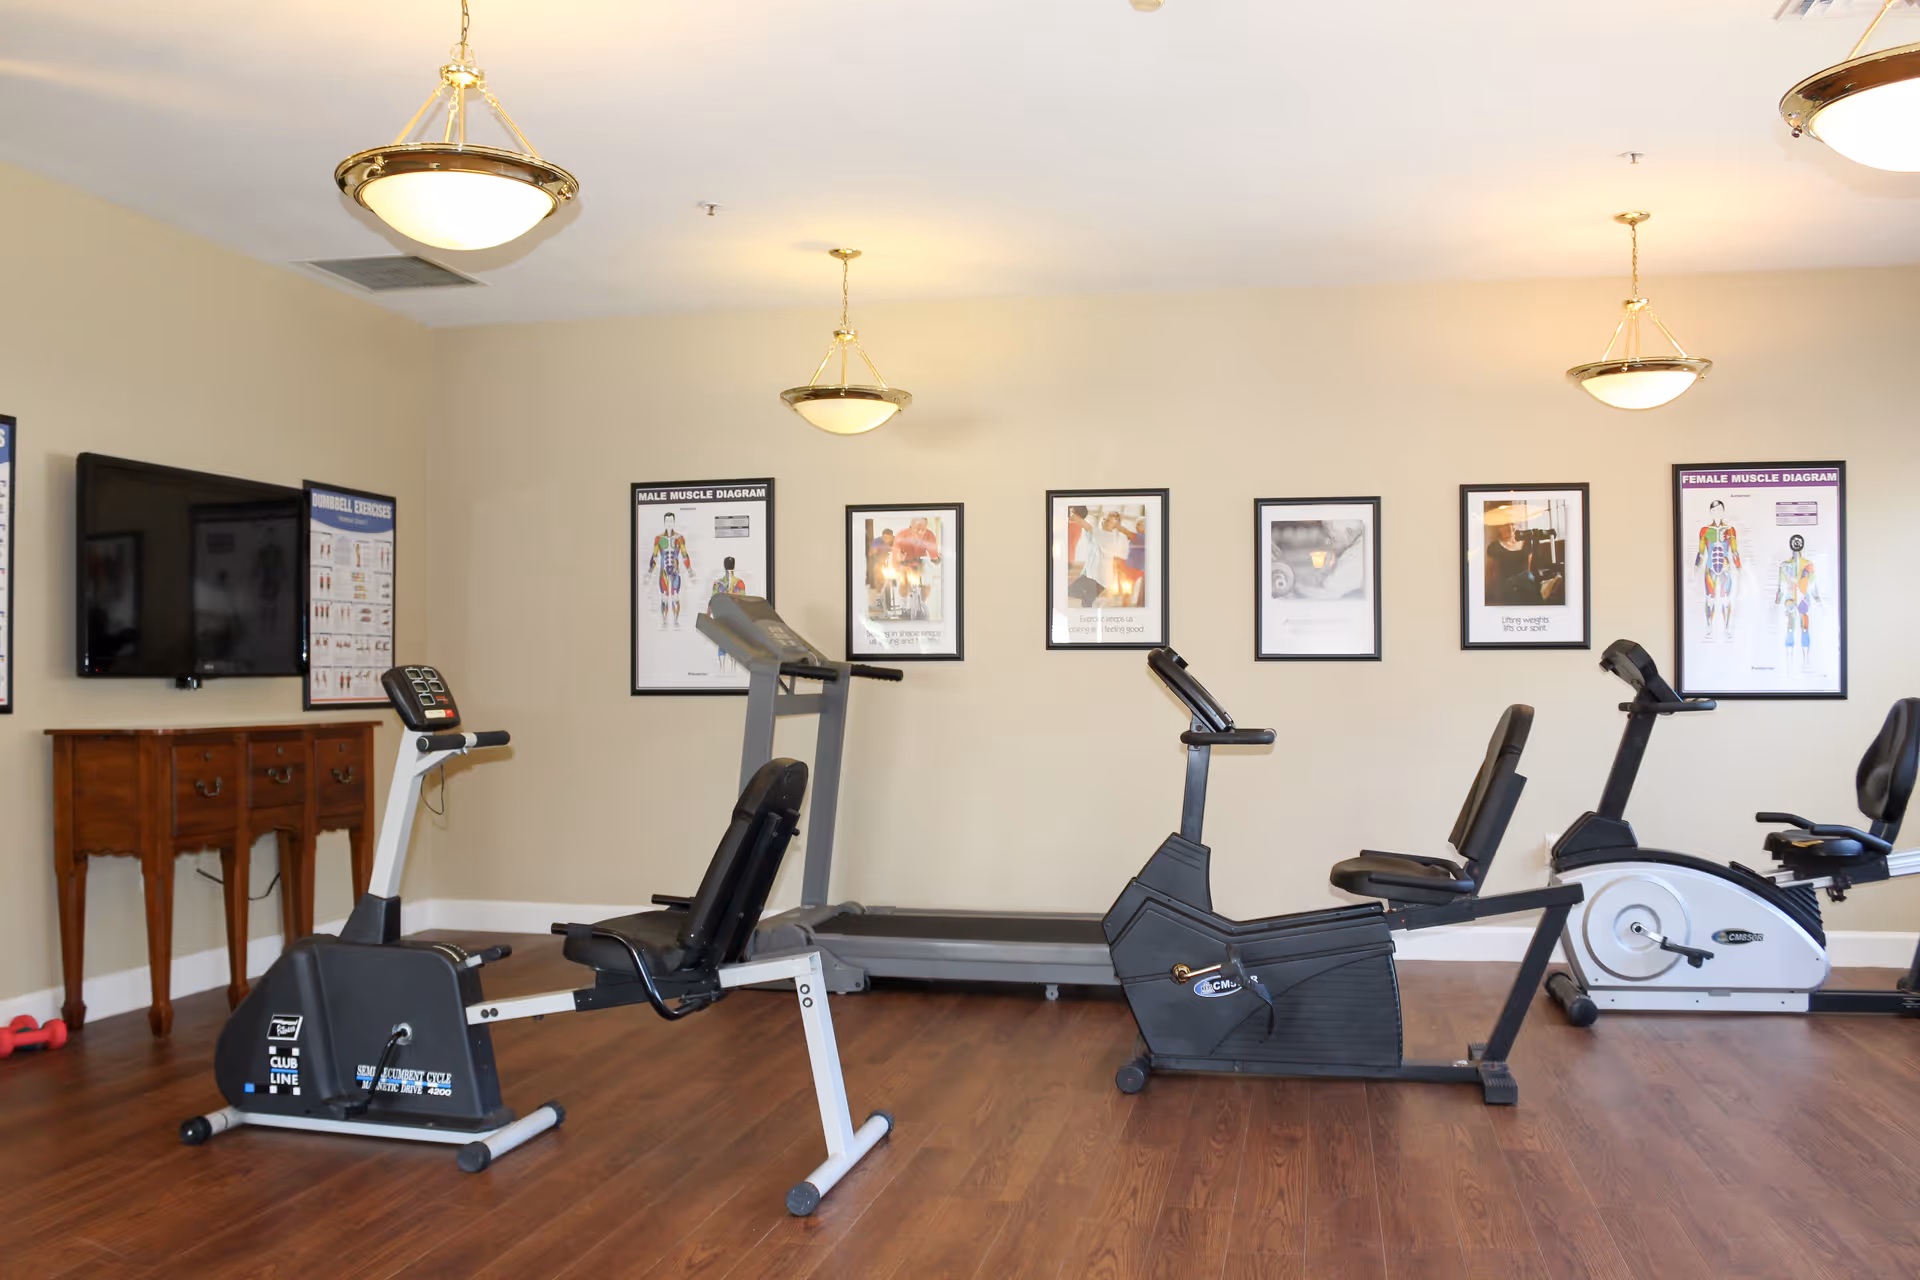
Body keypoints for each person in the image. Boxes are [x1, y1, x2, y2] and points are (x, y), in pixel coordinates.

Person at [1068, 507, 1143, 607]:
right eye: (1104, 519)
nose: (1104, 522)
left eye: (1108, 521)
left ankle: (1091, 609)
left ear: (1114, 525)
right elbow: (1090, 541)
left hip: (1098, 580)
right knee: (1081, 599)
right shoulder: (1099, 534)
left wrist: (1073, 515)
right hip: (1093, 578)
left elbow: (1088, 527)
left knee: (1074, 595)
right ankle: (1090, 608)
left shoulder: (1107, 537)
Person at [1694, 499, 1741, 641]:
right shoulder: (1705, 531)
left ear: (1723, 511)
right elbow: (1701, 552)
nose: (1717, 513)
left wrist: (1739, 568)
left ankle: (1727, 628)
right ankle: (1709, 626)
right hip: (1710, 569)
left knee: (1726, 598)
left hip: (1725, 569)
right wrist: (1695, 569)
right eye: (1714, 510)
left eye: (1719, 510)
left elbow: (1734, 551)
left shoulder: (1730, 530)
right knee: (1710, 599)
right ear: (1710, 512)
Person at [1775, 534, 1820, 672]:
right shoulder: (1785, 565)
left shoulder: (1808, 565)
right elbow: (1781, 585)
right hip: (1791, 599)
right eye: (1794, 541)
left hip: (1803, 599)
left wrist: (1816, 597)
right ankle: (1791, 661)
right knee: (1790, 627)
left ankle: (1805, 660)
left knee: (1804, 627)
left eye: (1798, 542)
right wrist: (1778, 599)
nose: (1796, 544)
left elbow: (1813, 584)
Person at [645, 511, 694, 629]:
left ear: (674, 522)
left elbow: (684, 554)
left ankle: (676, 621)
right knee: (664, 597)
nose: (669, 524)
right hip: (663, 571)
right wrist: (650, 572)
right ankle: (665, 621)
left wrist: (689, 570)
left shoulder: (679, 538)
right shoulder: (659, 539)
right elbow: (655, 556)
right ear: (664, 522)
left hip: (675, 571)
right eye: (667, 521)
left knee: (675, 596)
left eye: (671, 521)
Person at [889, 517, 942, 620]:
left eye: (924, 529)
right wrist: (897, 567)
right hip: (905, 562)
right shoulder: (902, 535)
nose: (921, 532)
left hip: (920, 561)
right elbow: (895, 554)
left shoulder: (930, 535)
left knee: (926, 583)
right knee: (904, 581)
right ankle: (903, 606)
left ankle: (921, 604)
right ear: (911, 527)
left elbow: (933, 554)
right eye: (918, 529)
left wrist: (936, 559)